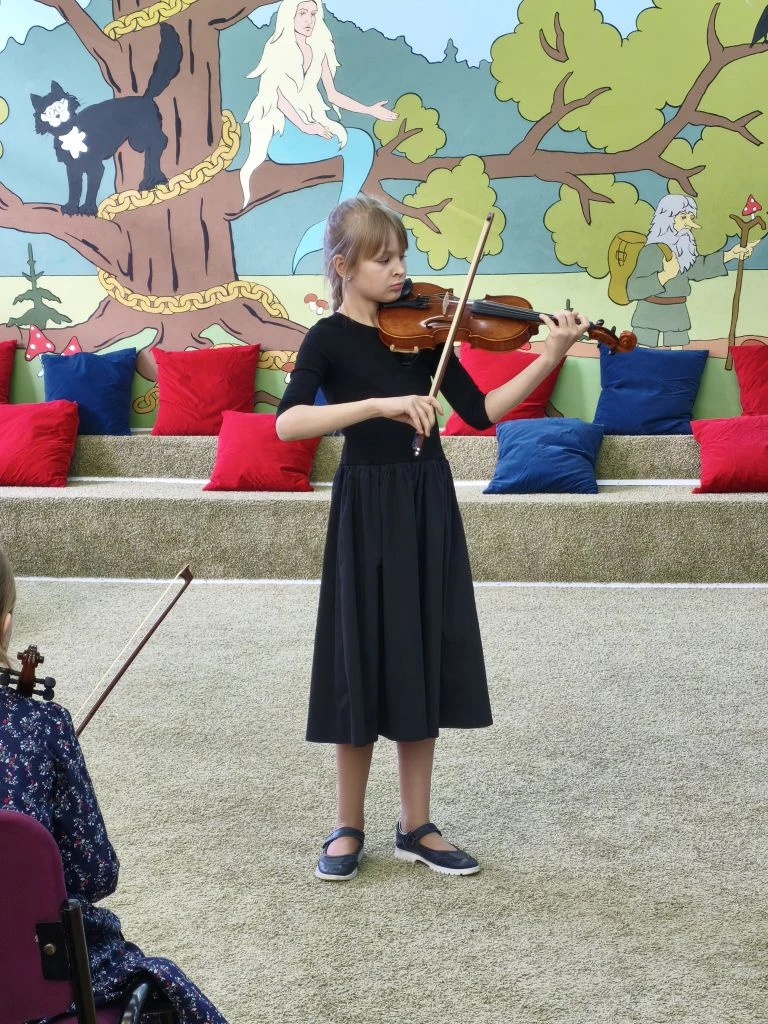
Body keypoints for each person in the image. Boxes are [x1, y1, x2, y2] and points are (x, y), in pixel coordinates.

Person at [275, 196, 589, 880]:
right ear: (342, 266)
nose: (400, 270)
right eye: (383, 259)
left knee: (417, 648)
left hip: (425, 500)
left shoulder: (424, 332)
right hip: (365, 504)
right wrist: (379, 405)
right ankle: (348, 824)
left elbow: (481, 411)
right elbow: (288, 423)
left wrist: (550, 356)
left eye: (402, 257)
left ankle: (416, 825)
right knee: (361, 654)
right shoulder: (327, 338)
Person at [0, 547, 229, 1024]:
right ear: (4, 625)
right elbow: (95, 874)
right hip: (35, 981)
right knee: (163, 987)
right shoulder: (40, 725)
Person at [238, 0, 397, 271]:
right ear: (290, 16)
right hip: (283, 135)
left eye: (313, 14)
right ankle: (338, 220)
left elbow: (333, 95)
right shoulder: (278, 49)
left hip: (310, 129)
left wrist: (370, 110)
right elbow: (277, 96)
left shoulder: (319, 49)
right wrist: (304, 125)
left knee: (360, 141)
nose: (308, 19)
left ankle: (339, 217)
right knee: (355, 143)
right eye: (302, 13)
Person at [627, 194, 758, 347]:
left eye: (691, 217)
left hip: (677, 313)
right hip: (648, 315)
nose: (689, 223)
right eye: (683, 217)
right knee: (643, 353)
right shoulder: (651, 250)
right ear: (667, 218)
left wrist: (731, 254)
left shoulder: (685, 250)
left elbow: (699, 267)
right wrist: (664, 276)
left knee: (678, 355)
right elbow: (633, 288)